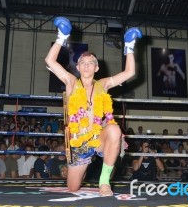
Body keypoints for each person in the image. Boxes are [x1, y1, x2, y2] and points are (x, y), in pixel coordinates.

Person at [45, 16, 142, 196]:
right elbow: (50, 61)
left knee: (114, 130)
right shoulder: (71, 82)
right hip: (79, 144)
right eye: (83, 62)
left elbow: (130, 72)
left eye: (91, 63)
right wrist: (61, 37)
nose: (87, 65)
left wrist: (129, 46)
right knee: (73, 187)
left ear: (96, 68)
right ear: (78, 67)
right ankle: (83, 170)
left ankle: (104, 182)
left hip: (98, 138)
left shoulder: (103, 84)